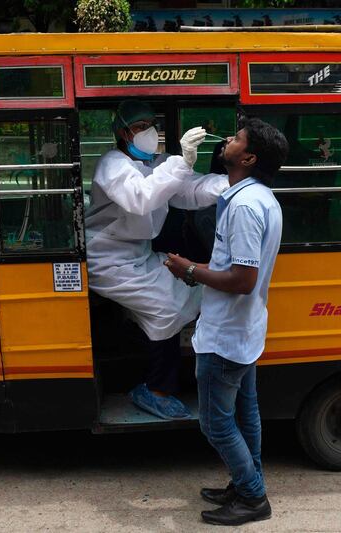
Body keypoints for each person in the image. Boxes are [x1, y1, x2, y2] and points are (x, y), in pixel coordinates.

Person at [164, 118, 288, 526]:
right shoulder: (258, 197)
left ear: (248, 157)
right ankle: (245, 482)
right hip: (244, 331)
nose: (228, 142)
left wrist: (189, 270)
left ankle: (253, 496)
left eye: (236, 140)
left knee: (216, 424)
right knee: (245, 415)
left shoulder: (246, 207)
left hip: (226, 335)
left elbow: (242, 278)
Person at [85, 100, 229, 420]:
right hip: (109, 261)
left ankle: (184, 365)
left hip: (140, 256)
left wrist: (231, 185)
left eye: (152, 124)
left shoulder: (157, 162)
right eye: (139, 127)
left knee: (197, 288)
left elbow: (190, 191)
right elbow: (141, 198)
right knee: (166, 309)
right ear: (123, 133)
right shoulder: (113, 164)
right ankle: (155, 388)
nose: (148, 132)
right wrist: (183, 161)